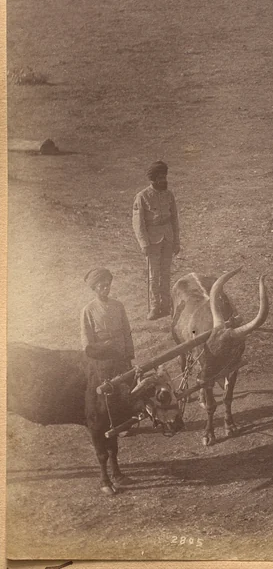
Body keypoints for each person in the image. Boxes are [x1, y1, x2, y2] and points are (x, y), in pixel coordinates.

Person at [81, 268, 135, 494]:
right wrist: (103, 350)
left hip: (121, 360)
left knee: (127, 396)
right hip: (102, 364)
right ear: (94, 289)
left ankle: (124, 423)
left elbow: (127, 331)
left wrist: (129, 356)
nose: (105, 288)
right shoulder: (88, 310)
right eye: (101, 286)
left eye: (107, 285)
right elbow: (87, 344)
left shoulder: (118, 306)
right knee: (104, 406)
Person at [132, 161, 180, 320]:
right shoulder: (142, 196)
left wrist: (176, 241)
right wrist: (144, 243)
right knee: (154, 274)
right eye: (159, 178)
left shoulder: (169, 194)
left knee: (166, 272)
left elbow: (174, 219)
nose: (163, 181)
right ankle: (154, 306)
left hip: (167, 237)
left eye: (164, 177)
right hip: (152, 240)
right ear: (152, 180)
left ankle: (166, 305)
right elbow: (138, 223)